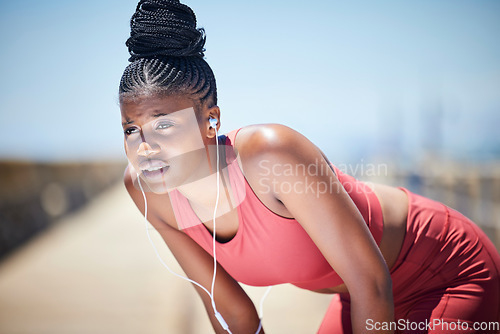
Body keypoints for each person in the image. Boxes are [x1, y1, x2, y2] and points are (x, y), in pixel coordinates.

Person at [119, 1, 500, 333]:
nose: (145, 146)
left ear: (210, 121)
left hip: (444, 270)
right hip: (357, 297)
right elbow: (231, 312)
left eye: (164, 124)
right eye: (131, 129)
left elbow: (371, 280)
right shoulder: (144, 189)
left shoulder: (270, 154)